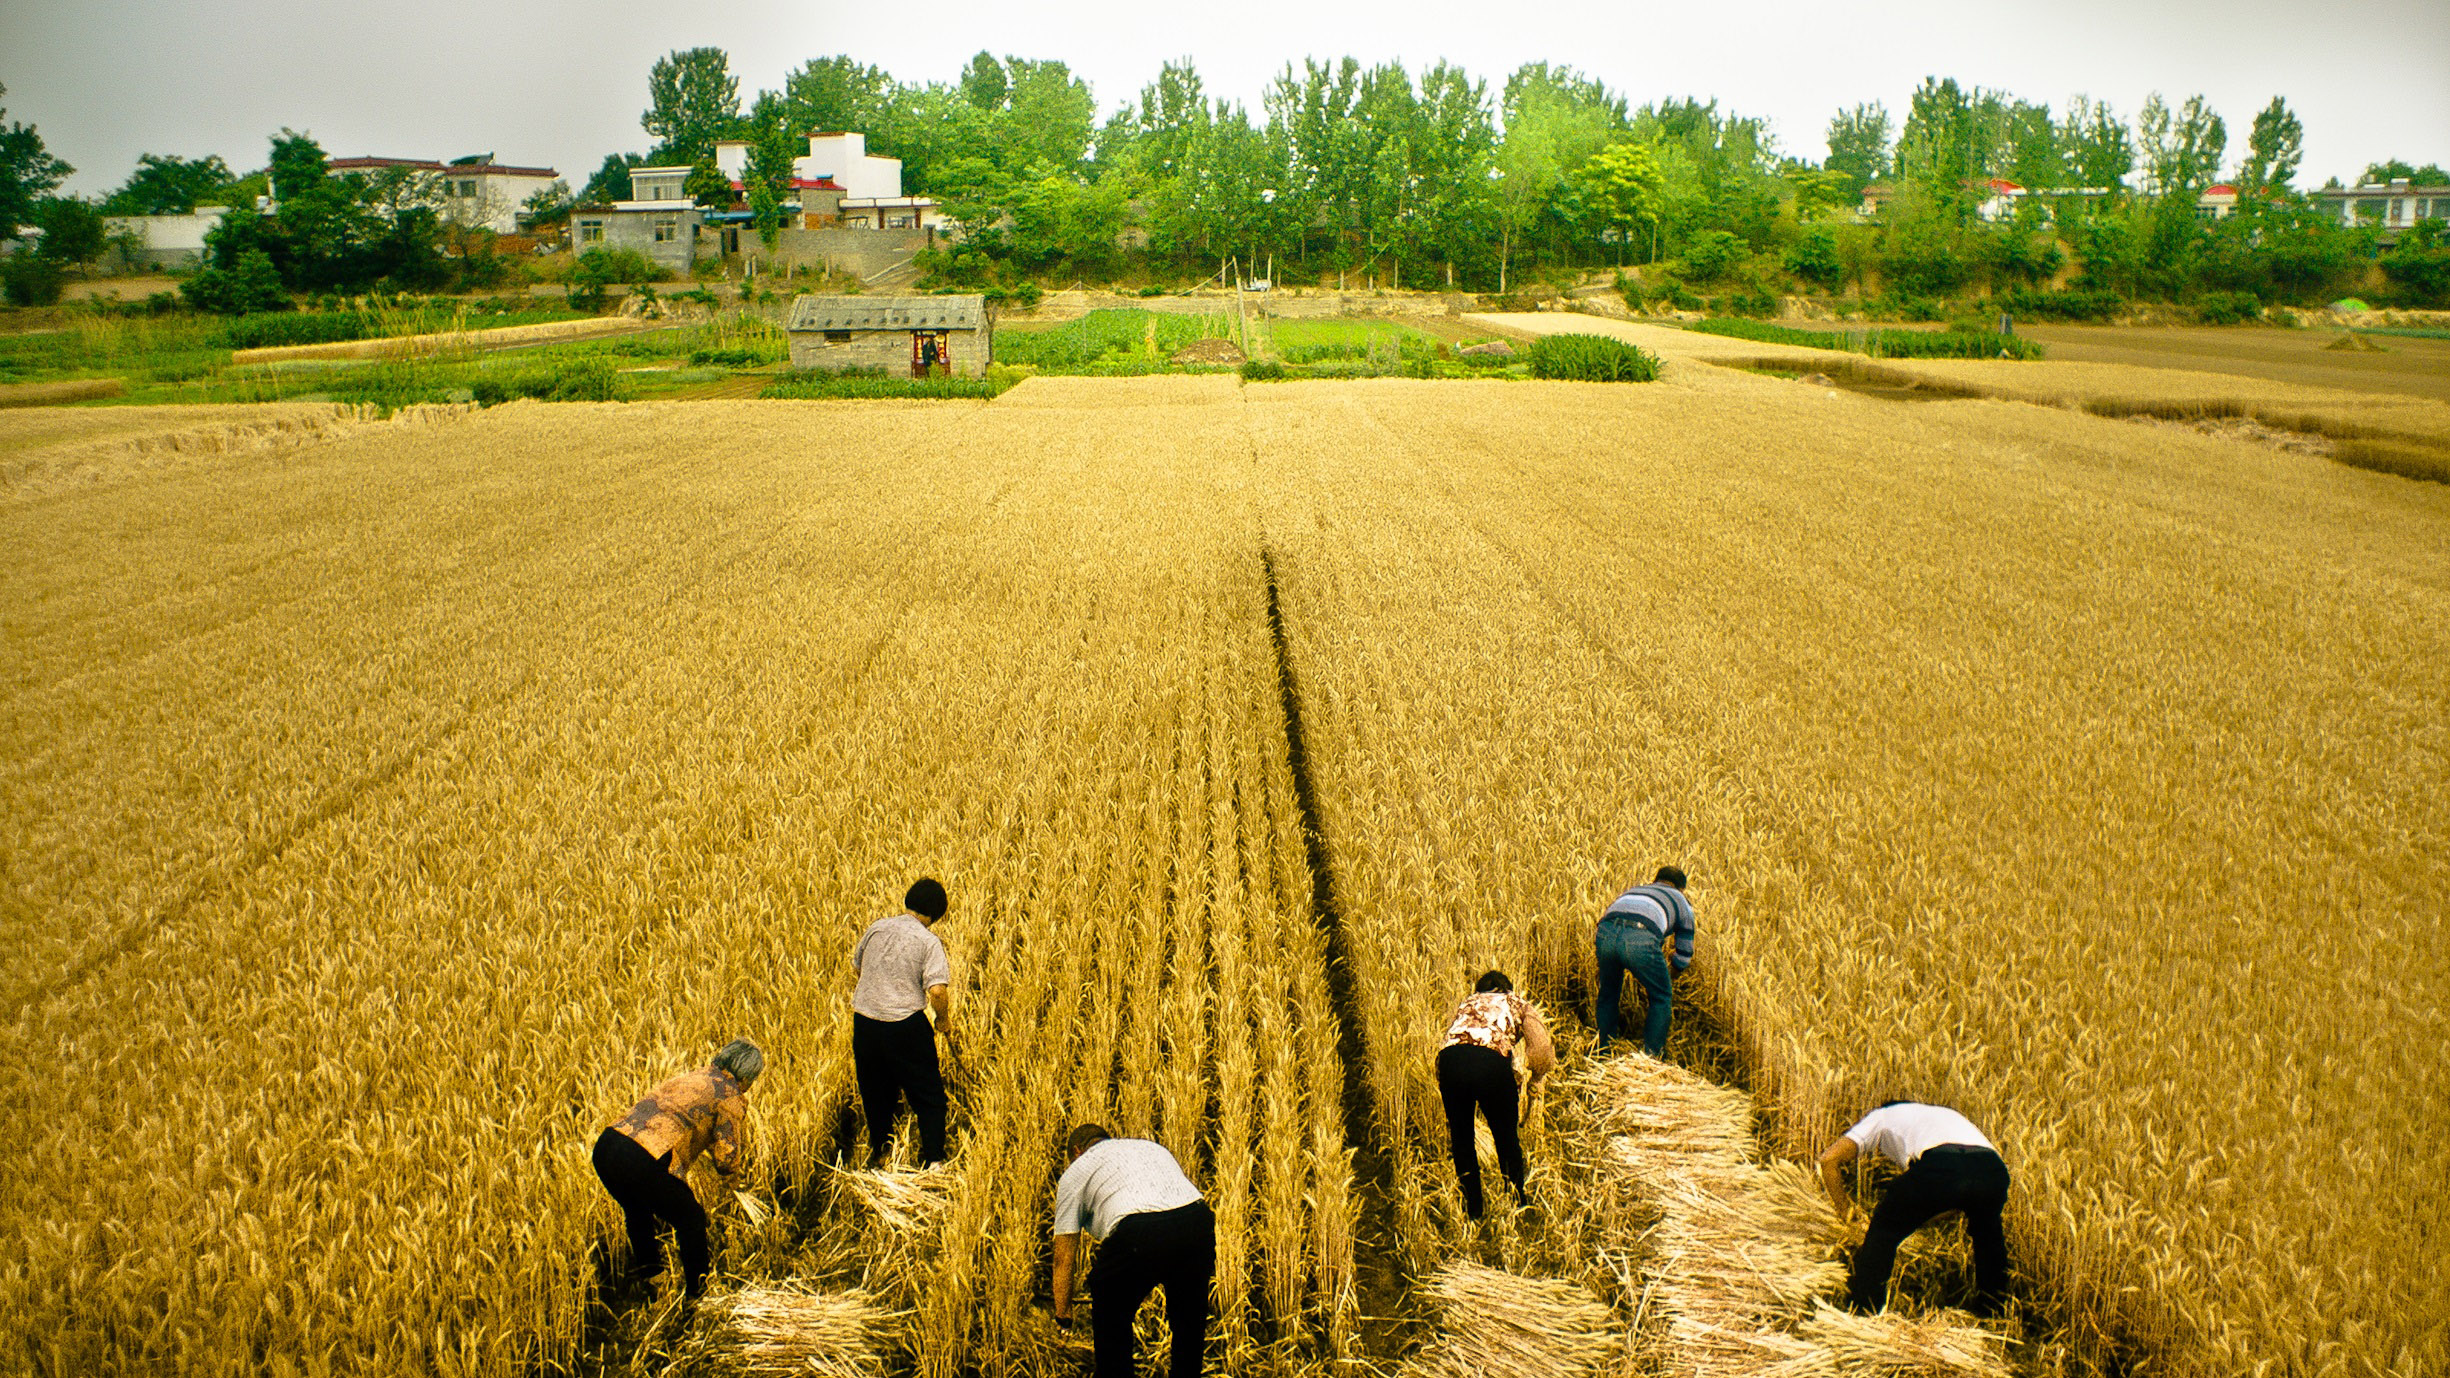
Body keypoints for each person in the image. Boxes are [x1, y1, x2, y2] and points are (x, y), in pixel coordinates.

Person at [592, 1038, 762, 1299]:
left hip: (608, 1145)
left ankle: (652, 1283)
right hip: (642, 1156)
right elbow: (727, 1159)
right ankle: (698, 1295)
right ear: (747, 1077)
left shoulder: (695, 1075)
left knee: (637, 1210)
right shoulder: (730, 1095)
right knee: (691, 1218)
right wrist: (735, 1181)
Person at [1817, 1099, 2013, 1317]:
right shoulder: (1943, 1114)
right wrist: (1914, 1220)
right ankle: (1994, 1312)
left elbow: (1828, 1160)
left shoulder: (1882, 1115)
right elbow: (1952, 1200)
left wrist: (1846, 1212)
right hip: (1993, 1169)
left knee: (1884, 1227)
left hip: (1944, 1162)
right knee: (1987, 1235)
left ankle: (1863, 1311)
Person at [1050, 1124, 1215, 1378]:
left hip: (1140, 1231)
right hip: (1197, 1219)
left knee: (1108, 1304)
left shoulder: (1077, 1170)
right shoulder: (1149, 1148)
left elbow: (1063, 1257)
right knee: (1188, 1323)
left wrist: (1063, 1317)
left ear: (1076, 1151)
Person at [851, 878, 955, 1165]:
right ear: (935, 913)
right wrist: (942, 1021)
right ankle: (934, 1160)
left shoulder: (877, 927)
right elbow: (937, 990)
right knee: (928, 1095)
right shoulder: (928, 940)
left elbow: (858, 968)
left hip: (865, 1023)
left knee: (875, 1091)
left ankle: (880, 1154)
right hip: (905, 1026)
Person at [1435, 970, 1556, 1218]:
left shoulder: (1468, 1002)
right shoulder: (1516, 1003)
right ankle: (1517, 1200)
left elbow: (1454, 1040)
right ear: (1508, 989)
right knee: (1505, 1136)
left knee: (1461, 1137)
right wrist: (1535, 1078)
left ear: (1480, 989)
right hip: (1490, 1062)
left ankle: (1473, 1209)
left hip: (1449, 1061)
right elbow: (1542, 1049)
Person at [1595, 865, 1694, 1057]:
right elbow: (1684, 954)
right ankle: (1652, 1057)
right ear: (1680, 888)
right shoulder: (1681, 900)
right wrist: (1669, 976)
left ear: (1656, 880)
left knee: (1608, 993)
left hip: (1605, 932)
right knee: (1661, 997)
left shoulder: (1636, 889)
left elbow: (1606, 918)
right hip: (1640, 937)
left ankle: (1604, 1050)